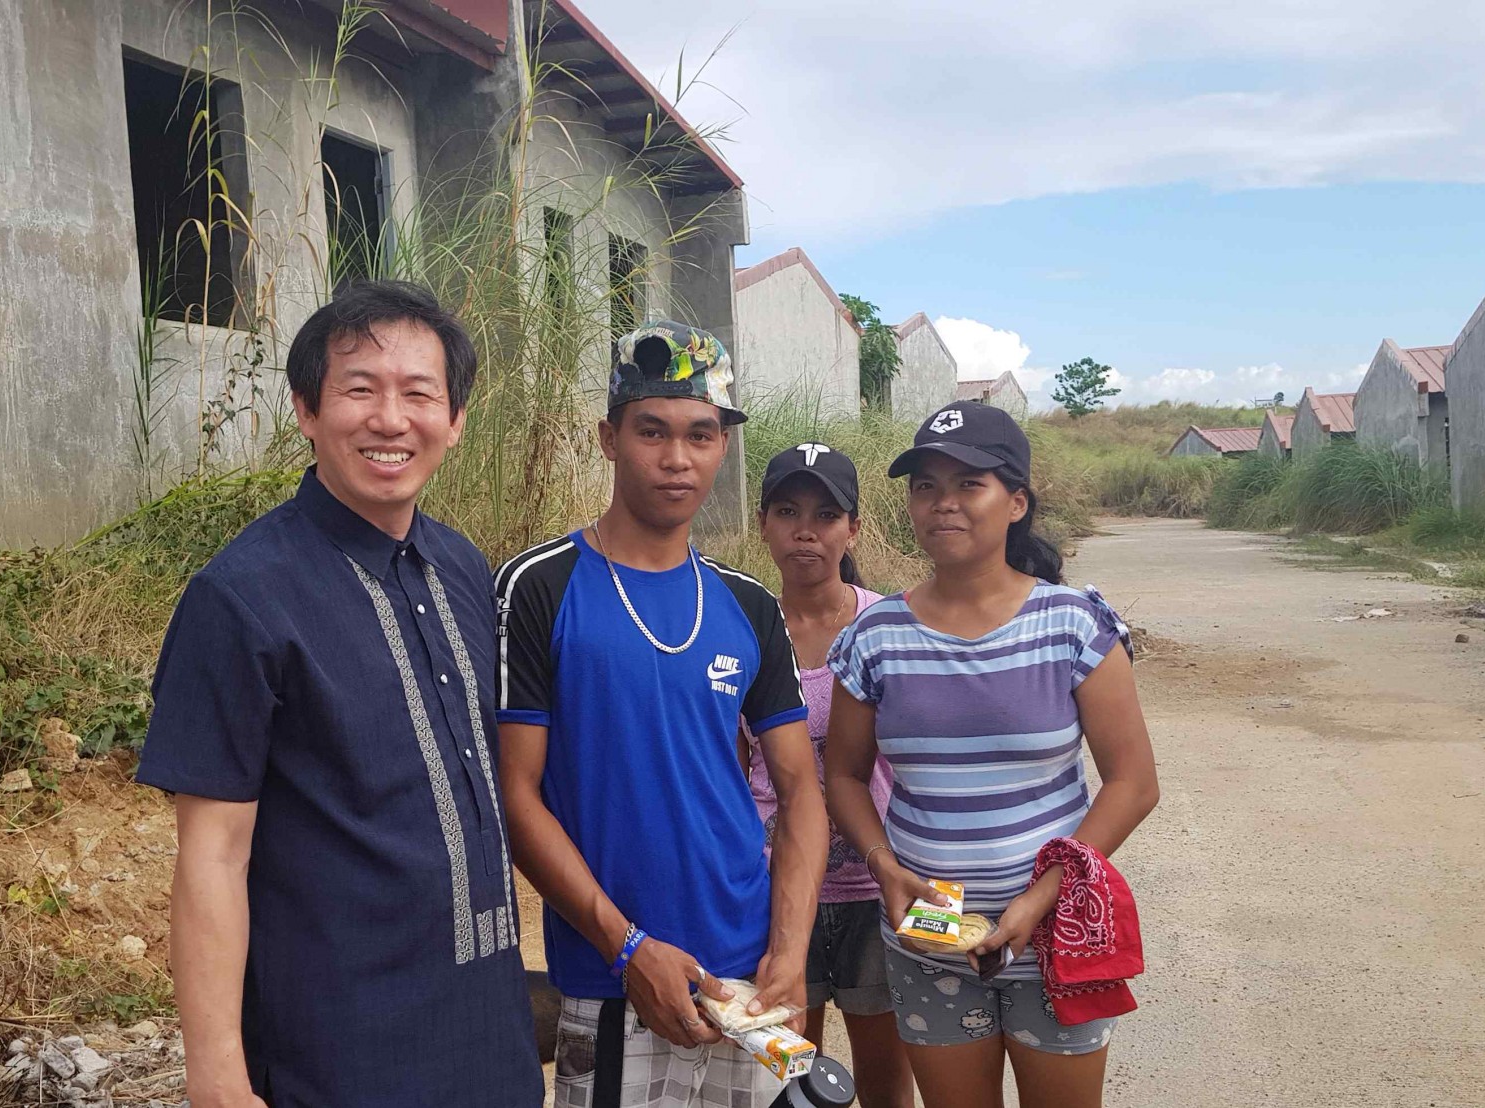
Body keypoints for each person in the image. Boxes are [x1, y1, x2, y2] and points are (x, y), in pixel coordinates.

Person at [137, 280, 540, 1108]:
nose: (390, 420)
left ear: (455, 421)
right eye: (360, 389)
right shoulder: (241, 598)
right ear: (306, 409)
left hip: (488, 1036)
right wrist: (216, 1072)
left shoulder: (462, 567)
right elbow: (213, 855)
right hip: (336, 1049)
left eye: (419, 394)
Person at [496, 321, 828, 1108]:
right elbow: (517, 795)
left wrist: (789, 953)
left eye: (700, 435)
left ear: (722, 447)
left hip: (748, 980)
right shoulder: (538, 586)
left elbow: (801, 791)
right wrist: (629, 949)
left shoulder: (748, 605)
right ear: (609, 439)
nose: (678, 458)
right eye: (652, 431)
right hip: (614, 978)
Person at [823, 401, 1160, 1108]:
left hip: (1055, 936)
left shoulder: (1073, 625)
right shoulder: (874, 636)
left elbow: (1133, 783)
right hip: (929, 939)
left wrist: (1040, 899)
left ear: (1016, 503)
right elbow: (845, 775)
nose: (942, 502)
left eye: (968, 484)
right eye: (925, 486)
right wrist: (884, 866)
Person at [746, 442, 916, 1108]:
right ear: (763, 523)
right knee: (789, 1079)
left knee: (884, 1078)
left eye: (826, 515)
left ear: (854, 529)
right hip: (778, 890)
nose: (805, 531)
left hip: (879, 888)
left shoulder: (889, 627)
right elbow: (731, 765)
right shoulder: (743, 628)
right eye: (787, 511)